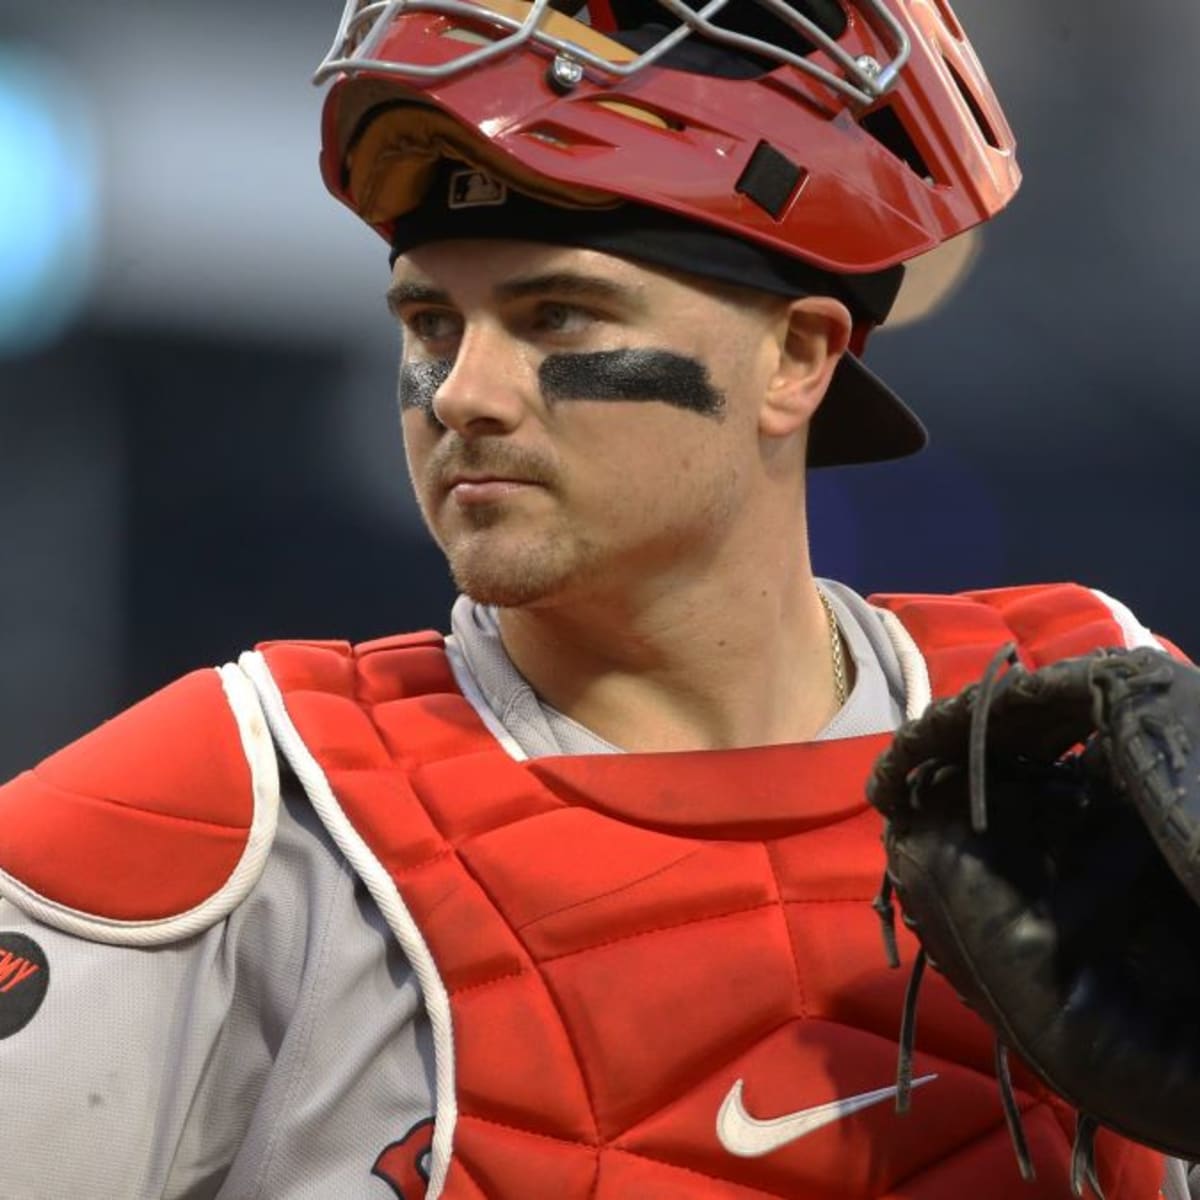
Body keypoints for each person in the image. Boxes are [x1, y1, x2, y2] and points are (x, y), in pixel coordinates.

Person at [0, 0, 1192, 1197]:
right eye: (429, 321)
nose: (460, 393)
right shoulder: (241, 813)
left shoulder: (1076, 735)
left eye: (555, 314)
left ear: (797, 358)